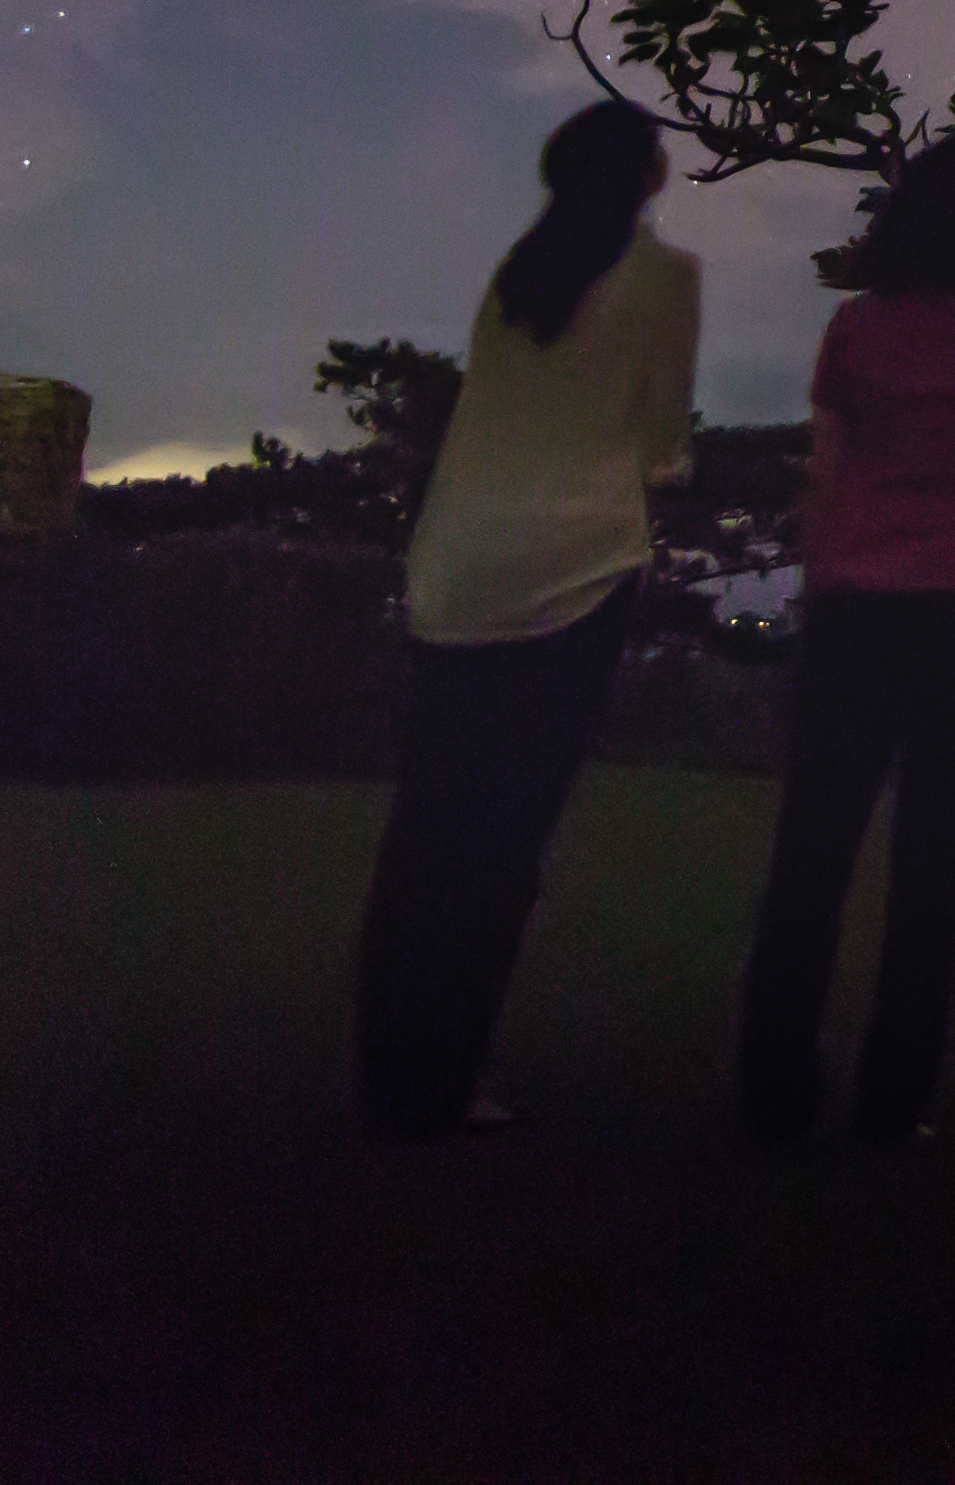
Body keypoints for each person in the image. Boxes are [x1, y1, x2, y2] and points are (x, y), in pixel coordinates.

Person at [737, 97, 955, 1144]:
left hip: (857, 606)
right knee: (936, 859)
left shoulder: (858, 327)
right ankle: (893, 1104)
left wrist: (820, 589)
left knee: (812, 853)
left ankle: (774, 1089)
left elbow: (829, 480)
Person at [355, 94, 694, 1139]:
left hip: (456, 570)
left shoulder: (517, 274)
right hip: (574, 574)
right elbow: (662, 445)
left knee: (427, 826)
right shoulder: (665, 279)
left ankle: (390, 1067)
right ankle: (451, 1078)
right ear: (643, 176)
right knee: (505, 837)